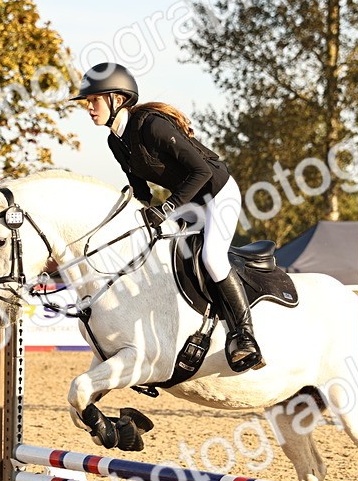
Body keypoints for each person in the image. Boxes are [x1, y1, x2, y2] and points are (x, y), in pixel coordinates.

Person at [72, 62, 264, 372]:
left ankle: (245, 337)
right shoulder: (115, 141)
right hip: (188, 201)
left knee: (213, 258)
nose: (89, 108)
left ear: (117, 100)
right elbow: (141, 192)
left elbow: (201, 171)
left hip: (218, 193)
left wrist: (167, 208)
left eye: (94, 100)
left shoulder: (152, 126)